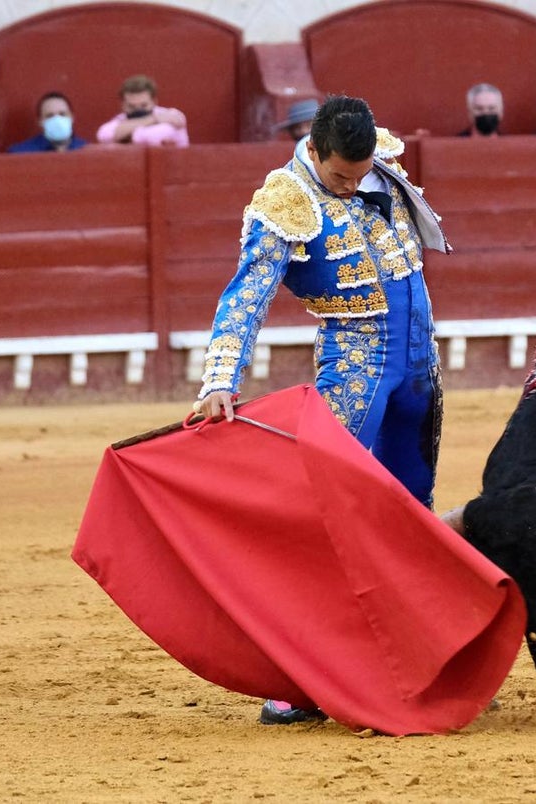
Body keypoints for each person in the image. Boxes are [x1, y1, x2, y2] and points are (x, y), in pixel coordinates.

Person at [193, 95, 450, 726]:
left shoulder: (376, 157)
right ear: (314, 149)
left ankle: (427, 662)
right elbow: (245, 298)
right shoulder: (283, 202)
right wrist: (220, 379)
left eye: (361, 173)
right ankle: (301, 676)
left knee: (411, 515)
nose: (353, 183)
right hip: (356, 369)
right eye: (341, 175)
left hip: (419, 366)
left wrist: (365, 175)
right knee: (327, 523)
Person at [96, 74, 189, 146]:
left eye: (144, 105)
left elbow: (149, 138)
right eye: (132, 106)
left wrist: (123, 133)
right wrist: (153, 119)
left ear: (154, 102)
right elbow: (103, 135)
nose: (138, 110)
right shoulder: (121, 119)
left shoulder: (171, 115)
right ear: (123, 105)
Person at [7, 92, 87, 153]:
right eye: (50, 116)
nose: (57, 120)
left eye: (62, 114)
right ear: (40, 121)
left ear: (72, 117)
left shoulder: (85, 150)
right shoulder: (21, 152)